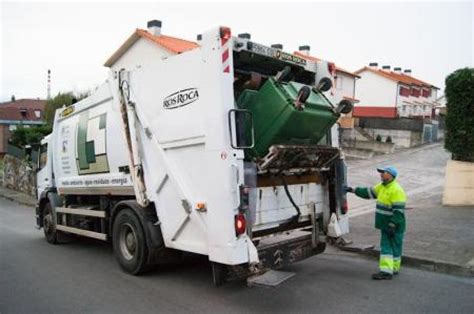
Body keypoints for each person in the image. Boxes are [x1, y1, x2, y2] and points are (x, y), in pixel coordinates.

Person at [346, 166, 406, 280]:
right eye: (381, 172)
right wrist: (352, 190)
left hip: (392, 225)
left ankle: (386, 272)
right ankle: (394, 268)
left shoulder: (396, 190)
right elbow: (368, 192)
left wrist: (392, 225)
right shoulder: (382, 187)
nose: (381, 174)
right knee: (395, 246)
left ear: (391, 175)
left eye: (384, 172)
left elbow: (399, 211)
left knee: (387, 247)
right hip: (389, 225)